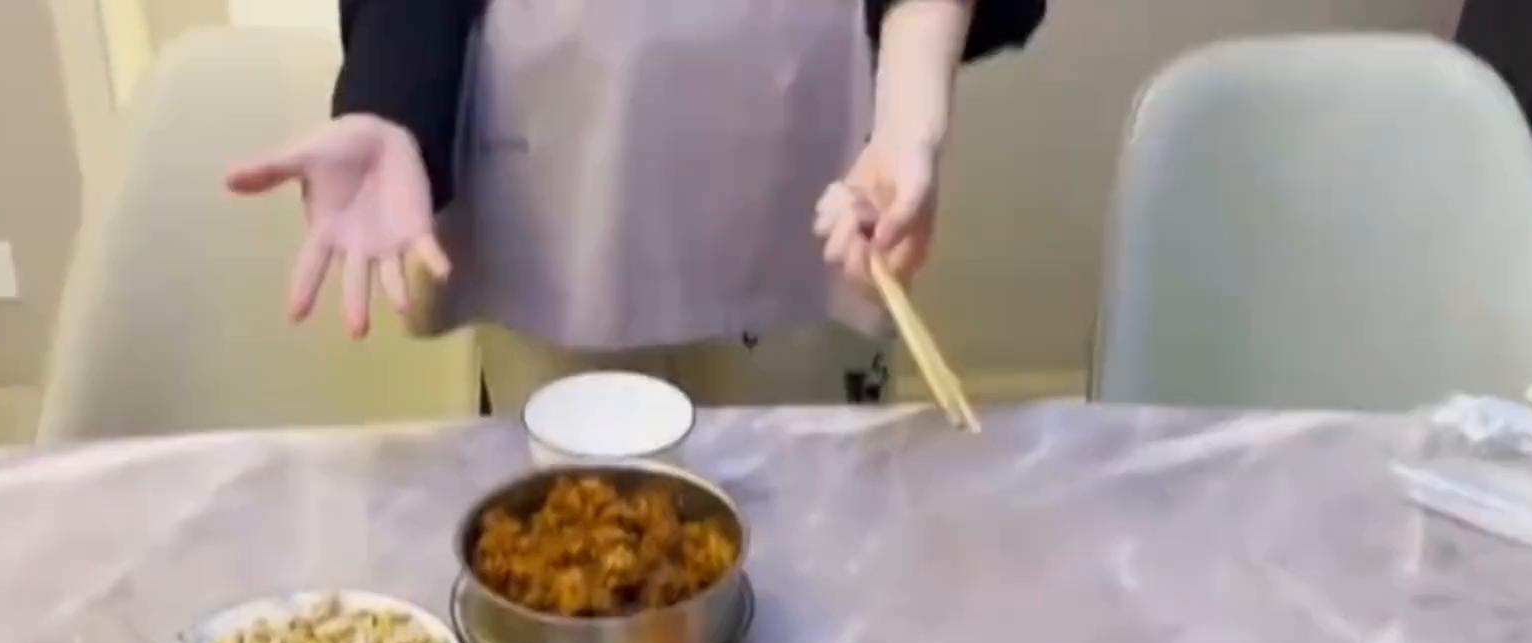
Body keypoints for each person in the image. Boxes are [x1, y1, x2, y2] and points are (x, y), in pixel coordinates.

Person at [229, 0, 1045, 412]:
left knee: (809, 530)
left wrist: (908, 125)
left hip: (801, 171)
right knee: (565, 537)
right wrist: (391, 97)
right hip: (562, 174)